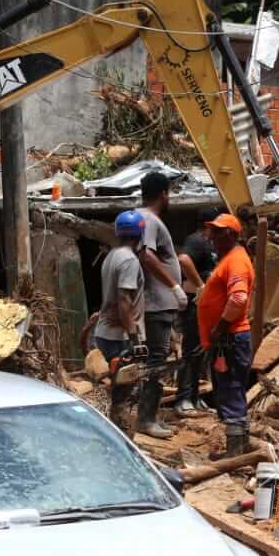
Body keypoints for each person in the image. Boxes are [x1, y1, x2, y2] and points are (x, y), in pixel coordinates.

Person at [196, 213, 255, 457]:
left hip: (229, 337)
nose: (212, 237)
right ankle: (239, 450)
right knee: (231, 390)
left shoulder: (236, 260)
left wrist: (220, 326)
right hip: (227, 337)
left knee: (231, 390)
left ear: (231, 234)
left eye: (218, 232)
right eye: (212, 232)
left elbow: (239, 298)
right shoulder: (230, 258)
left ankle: (234, 454)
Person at [135, 171, 188, 438]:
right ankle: (145, 420)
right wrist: (174, 286)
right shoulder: (150, 220)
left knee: (152, 360)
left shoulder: (143, 218)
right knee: (156, 361)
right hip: (157, 304)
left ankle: (147, 416)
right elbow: (147, 255)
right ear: (164, 193)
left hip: (155, 304)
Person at [93, 210, 147, 418]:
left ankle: (114, 432)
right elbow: (124, 300)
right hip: (120, 337)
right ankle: (123, 437)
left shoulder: (112, 256)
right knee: (127, 394)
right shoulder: (129, 261)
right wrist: (134, 337)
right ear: (140, 234)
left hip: (106, 333)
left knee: (116, 392)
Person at [174, 208, 219, 417]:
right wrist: (200, 286)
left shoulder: (211, 242)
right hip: (195, 303)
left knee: (201, 352)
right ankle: (183, 398)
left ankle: (193, 396)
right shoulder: (197, 240)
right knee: (191, 350)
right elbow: (183, 260)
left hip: (208, 305)